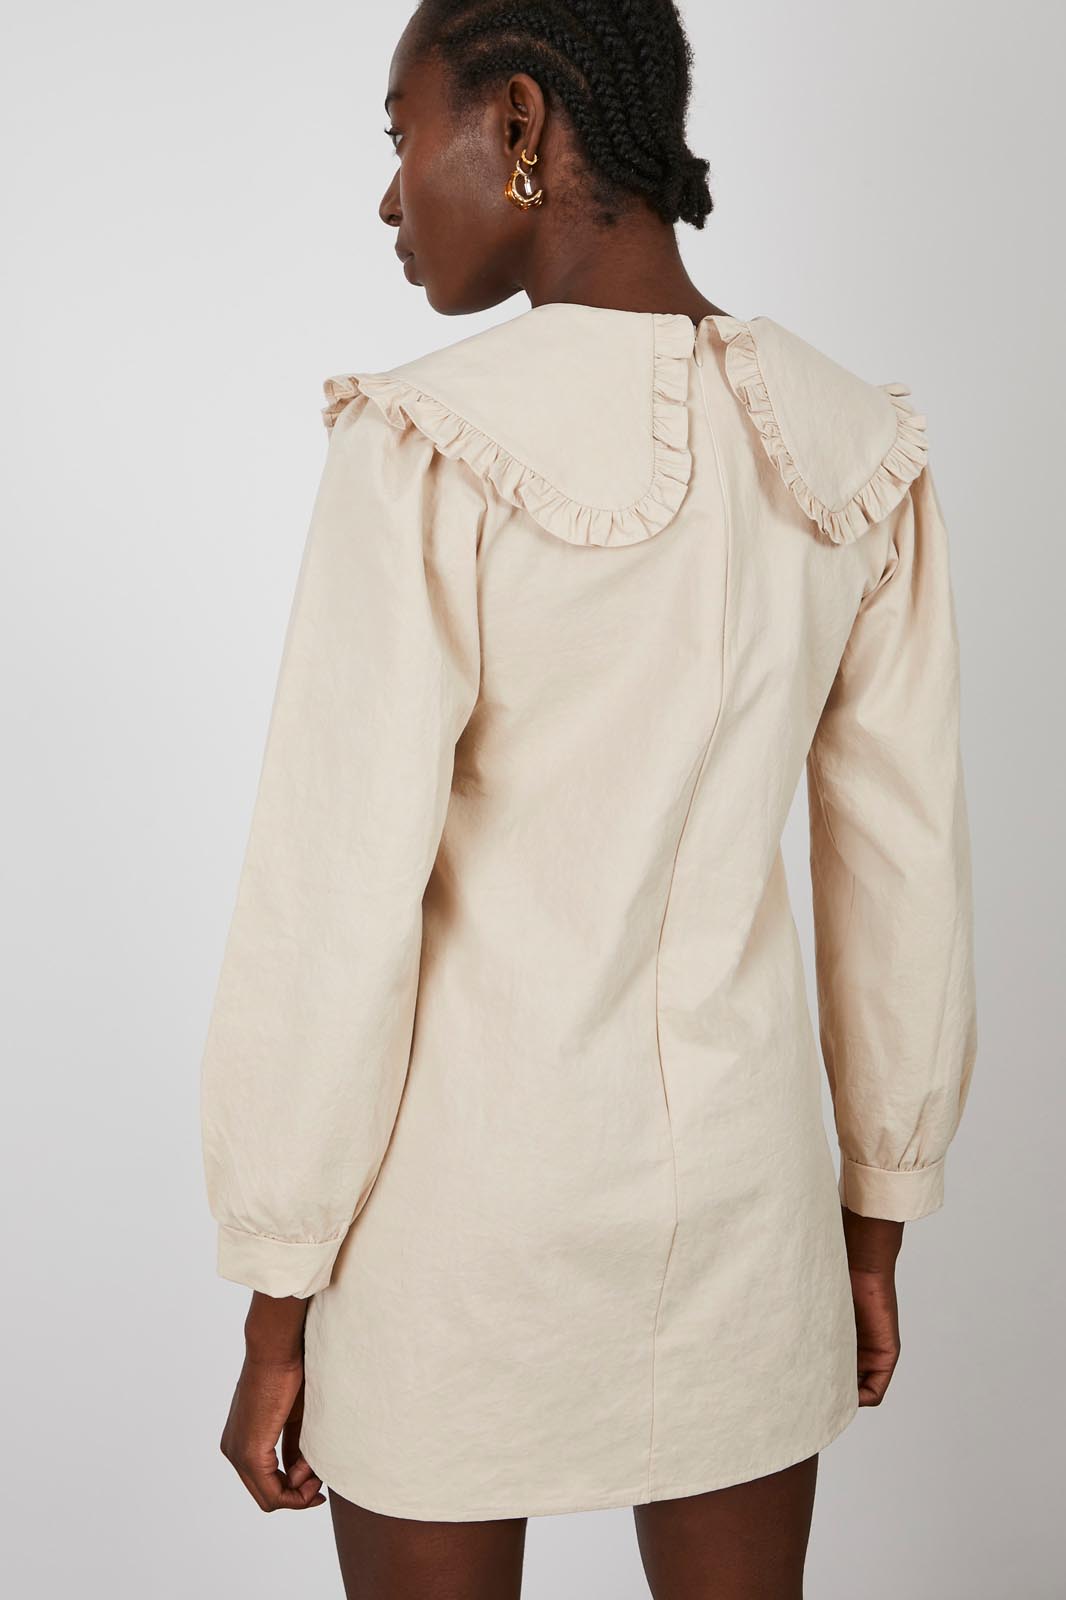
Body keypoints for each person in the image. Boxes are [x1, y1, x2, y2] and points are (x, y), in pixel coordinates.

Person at [198, 3, 979, 1596]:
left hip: (455, 1231)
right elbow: (901, 877)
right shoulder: (856, 449)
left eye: (402, 133)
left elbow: (333, 902)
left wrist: (278, 1305)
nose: (390, 193)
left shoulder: (425, 444)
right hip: (748, 1223)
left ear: (520, 123)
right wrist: (870, 1224)